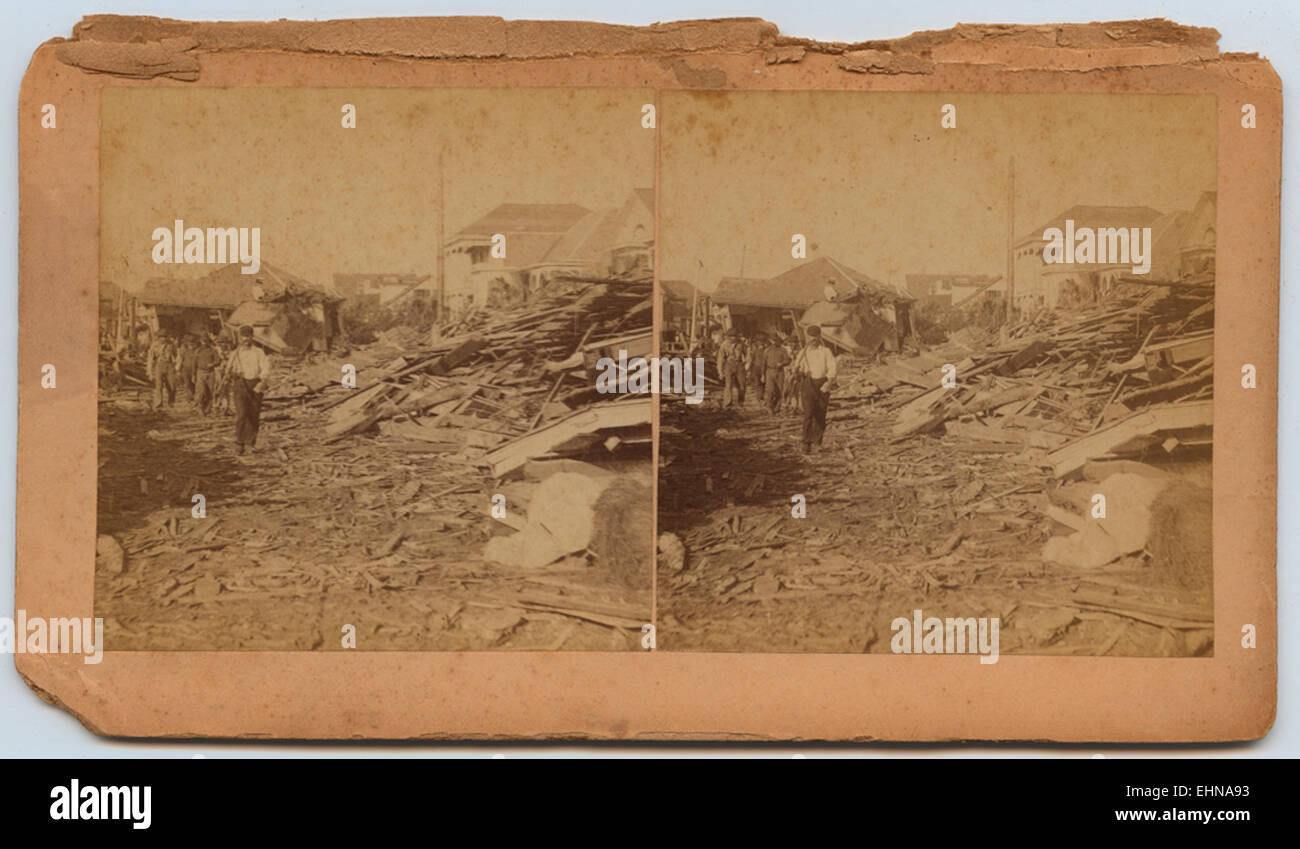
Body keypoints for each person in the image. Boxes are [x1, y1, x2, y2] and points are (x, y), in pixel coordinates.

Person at [224, 325, 272, 454]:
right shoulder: (235, 353)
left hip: (255, 384)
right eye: (244, 336)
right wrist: (231, 373)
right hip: (240, 385)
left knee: (253, 414)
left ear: (252, 336)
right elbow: (228, 370)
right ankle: (239, 443)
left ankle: (251, 442)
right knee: (241, 414)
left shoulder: (259, 352)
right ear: (240, 337)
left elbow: (265, 368)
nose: (246, 338)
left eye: (249, 336)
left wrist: (263, 380)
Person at [791, 325, 836, 453]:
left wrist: (828, 383)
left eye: (815, 336)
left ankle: (817, 440)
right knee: (808, 414)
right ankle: (806, 443)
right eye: (811, 336)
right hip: (807, 383)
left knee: (820, 414)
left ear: (819, 337)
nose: (813, 339)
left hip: (822, 383)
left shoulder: (826, 351)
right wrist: (797, 371)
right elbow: (796, 368)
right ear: (807, 337)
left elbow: (832, 368)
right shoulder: (803, 352)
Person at [147, 331, 177, 410]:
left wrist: (177, 367)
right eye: (161, 337)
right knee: (158, 386)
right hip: (159, 365)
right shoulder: (154, 345)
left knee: (172, 386)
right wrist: (150, 372)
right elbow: (150, 359)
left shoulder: (171, 344)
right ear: (158, 337)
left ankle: (171, 402)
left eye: (164, 337)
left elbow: (177, 355)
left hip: (169, 365)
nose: (163, 339)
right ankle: (158, 404)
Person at [193, 335, 222, 416]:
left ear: (209, 342)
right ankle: (199, 407)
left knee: (210, 391)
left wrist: (212, 364)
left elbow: (218, 361)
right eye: (203, 341)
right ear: (201, 342)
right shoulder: (197, 351)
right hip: (200, 372)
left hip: (210, 373)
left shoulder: (213, 351)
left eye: (206, 341)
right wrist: (193, 374)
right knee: (201, 391)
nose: (205, 343)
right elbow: (194, 364)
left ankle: (208, 409)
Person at [762, 333, 791, 413]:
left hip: (780, 372)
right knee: (770, 390)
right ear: (770, 341)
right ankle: (769, 406)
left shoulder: (783, 350)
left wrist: (782, 363)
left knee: (780, 390)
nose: (774, 342)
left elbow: (788, 360)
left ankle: (777, 407)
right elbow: (763, 363)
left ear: (778, 340)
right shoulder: (767, 350)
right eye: (772, 340)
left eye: (776, 340)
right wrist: (762, 375)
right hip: (769, 371)